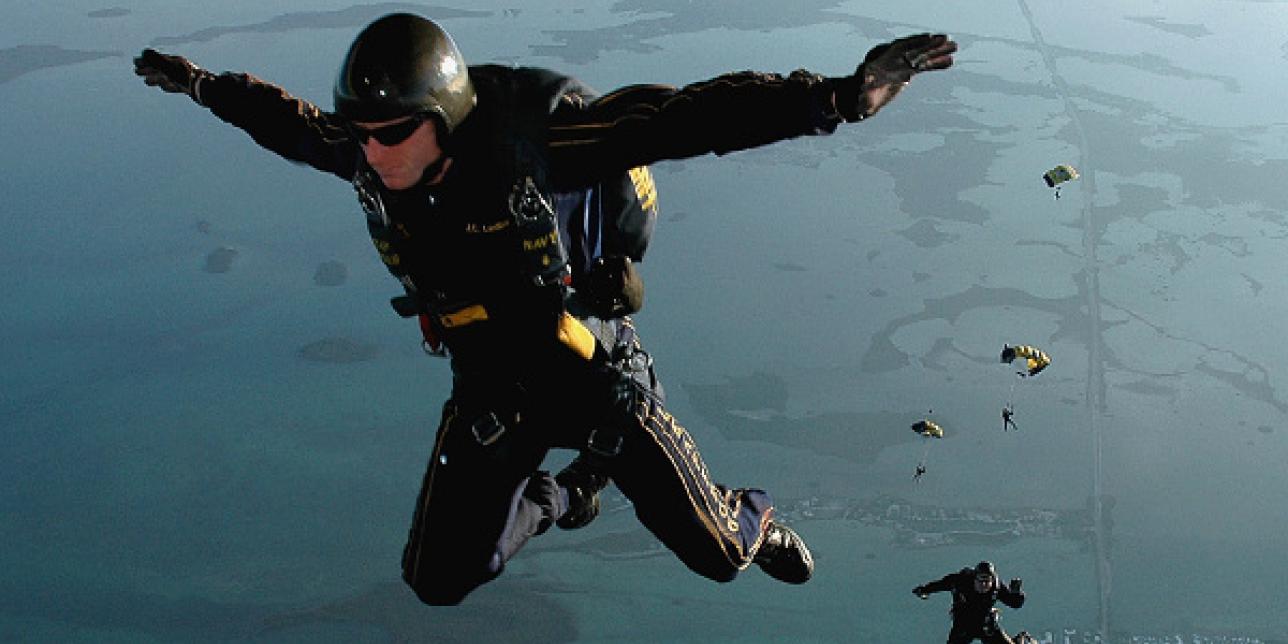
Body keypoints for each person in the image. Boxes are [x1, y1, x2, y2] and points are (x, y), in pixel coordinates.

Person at [133, 12, 956, 605]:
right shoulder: (367, 155)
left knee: (716, 556)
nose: (372, 152)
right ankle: (567, 496)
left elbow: (683, 118)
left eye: (392, 132)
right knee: (438, 581)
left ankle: (756, 520)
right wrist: (204, 85)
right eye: (364, 132)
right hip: (495, 392)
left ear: (444, 123)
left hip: (596, 379)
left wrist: (837, 100)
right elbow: (291, 125)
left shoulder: (533, 153)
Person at [914, 561, 1027, 643]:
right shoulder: (961, 581)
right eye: (980, 581)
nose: (983, 585)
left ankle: (1019, 640)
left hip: (986, 625)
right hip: (963, 625)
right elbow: (940, 584)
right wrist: (924, 590)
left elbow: (1014, 604)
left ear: (992, 580)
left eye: (987, 581)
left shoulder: (996, 588)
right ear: (974, 578)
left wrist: (1017, 593)